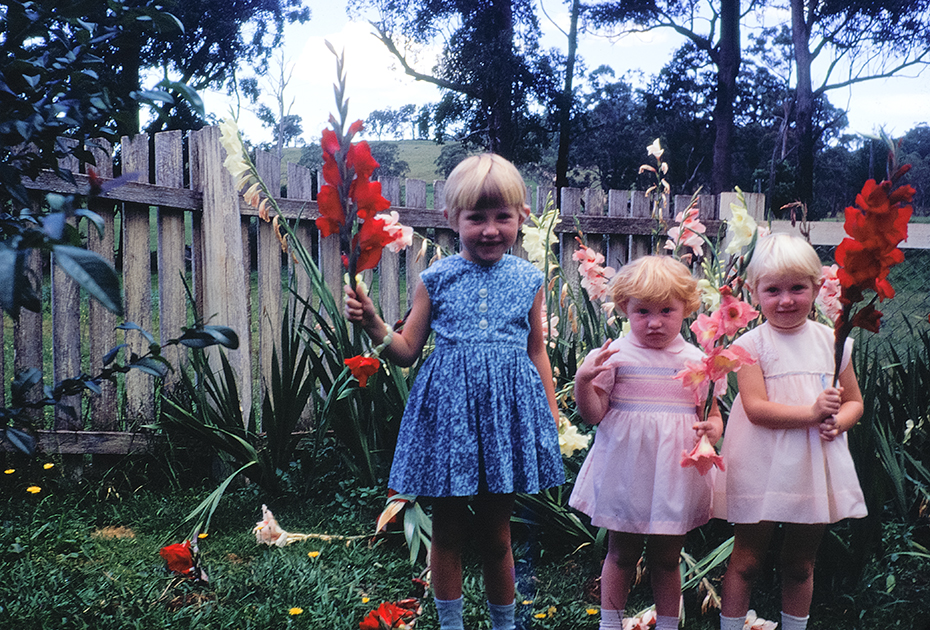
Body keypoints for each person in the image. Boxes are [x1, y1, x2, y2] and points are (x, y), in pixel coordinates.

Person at [344, 153, 564, 630]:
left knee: (496, 533)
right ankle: (450, 624)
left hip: (504, 420)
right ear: (451, 219)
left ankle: (504, 624)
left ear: (521, 218)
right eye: (476, 218)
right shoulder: (435, 279)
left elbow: (536, 350)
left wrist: (548, 412)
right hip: (451, 421)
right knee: (446, 530)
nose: (490, 229)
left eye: (502, 217)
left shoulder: (529, 280)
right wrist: (374, 323)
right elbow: (404, 350)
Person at [715, 233, 867, 630]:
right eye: (773, 290)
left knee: (800, 561)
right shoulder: (750, 344)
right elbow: (756, 409)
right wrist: (813, 411)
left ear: (817, 288)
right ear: (753, 292)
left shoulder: (834, 343)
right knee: (746, 558)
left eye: (798, 288)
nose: (786, 300)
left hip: (812, 464)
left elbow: (854, 402)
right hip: (760, 462)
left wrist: (840, 421)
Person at [569, 255, 723, 630]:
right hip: (626, 467)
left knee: (668, 557)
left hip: (674, 469)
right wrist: (583, 381)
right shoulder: (615, 355)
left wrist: (712, 431)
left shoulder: (698, 360)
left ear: (686, 308)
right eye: (642, 312)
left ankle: (669, 624)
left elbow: (712, 414)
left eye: (666, 311)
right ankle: (610, 623)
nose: (654, 322)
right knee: (620, 553)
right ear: (624, 308)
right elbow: (594, 415)